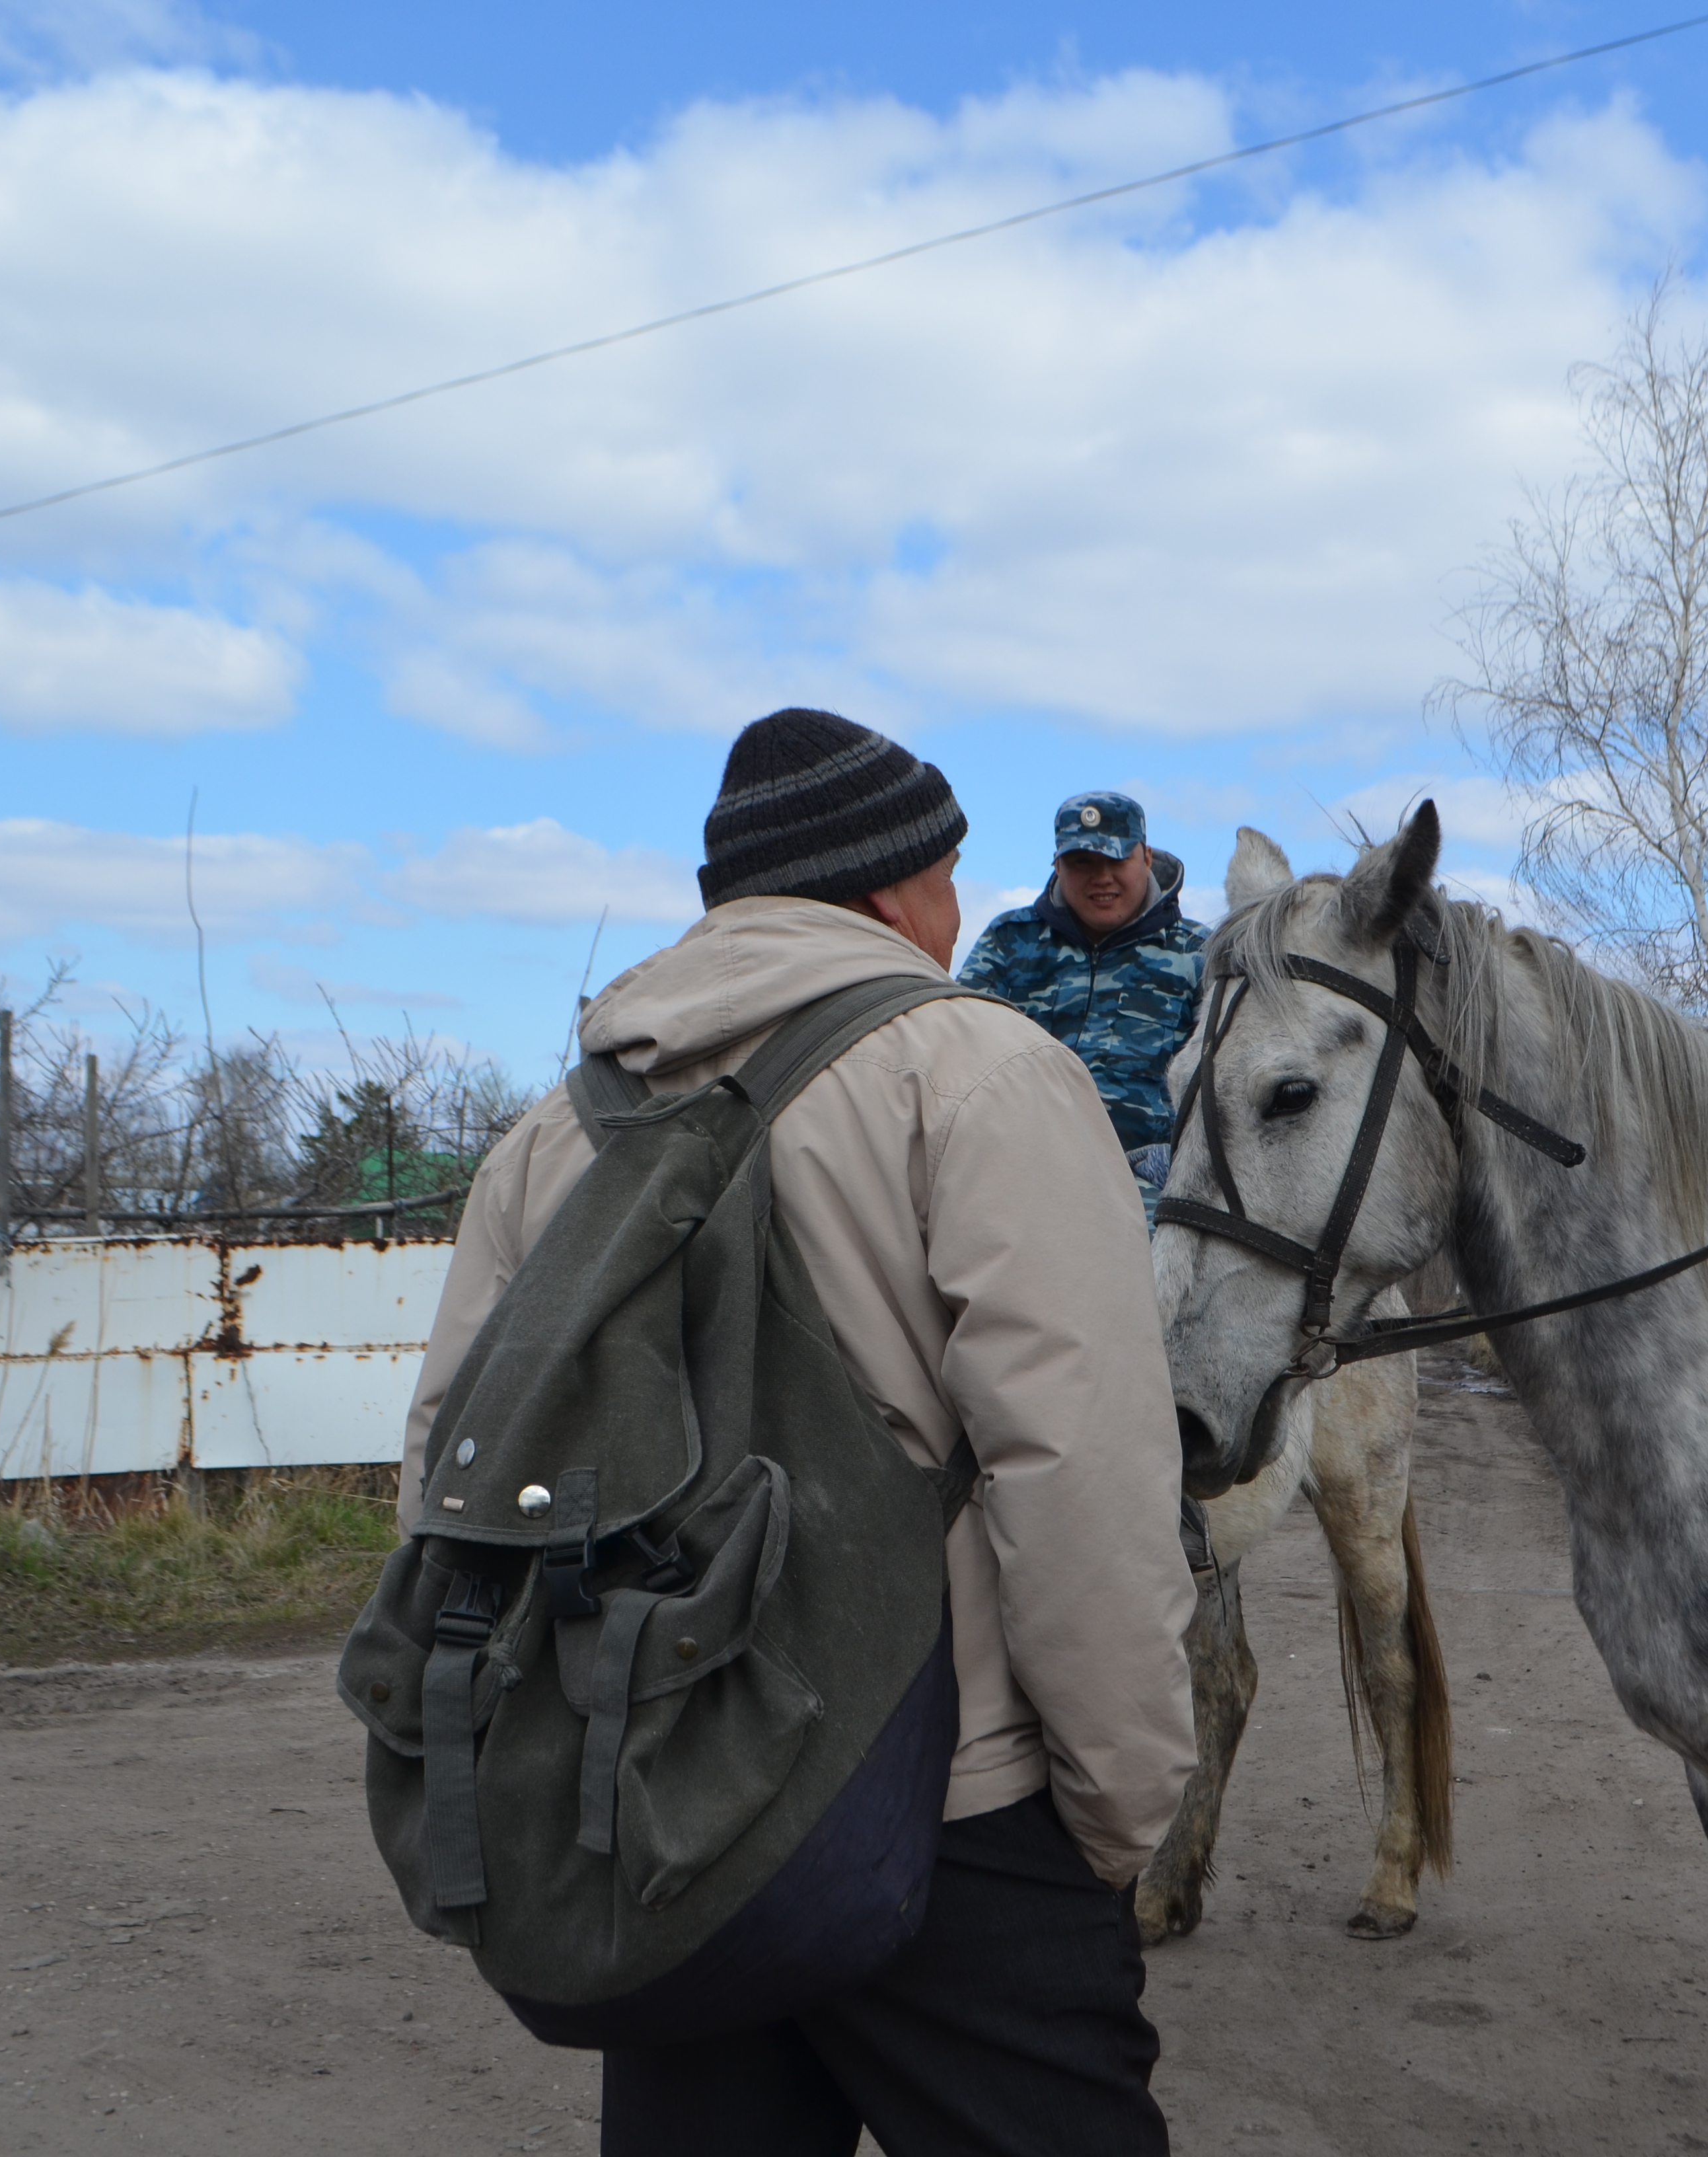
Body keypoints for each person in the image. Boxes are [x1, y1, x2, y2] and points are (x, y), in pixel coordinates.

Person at [398, 709, 1199, 2155]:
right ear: (894, 887)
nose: (960, 913)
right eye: (951, 876)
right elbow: (1080, 1476)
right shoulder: (979, 1071)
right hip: (951, 1809)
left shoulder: (561, 1127)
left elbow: (448, 1466)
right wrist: (1115, 1811)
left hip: (664, 1816)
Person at [955, 790, 1207, 1195]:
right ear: (1057, 864)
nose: (1101, 877)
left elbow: (1230, 1078)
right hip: (1013, 1176)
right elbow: (955, 1049)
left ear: (1146, 857)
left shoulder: (1200, 953)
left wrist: (1179, 1159)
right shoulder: (1008, 941)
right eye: (1082, 862)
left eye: (1116, 859)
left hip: (1145, 1190)